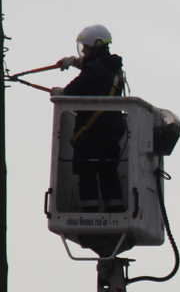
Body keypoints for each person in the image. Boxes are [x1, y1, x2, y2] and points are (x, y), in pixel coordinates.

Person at [55, 25, 128, 213]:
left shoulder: (93, 69)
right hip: (111, 132)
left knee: (87, 173)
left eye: (85, 47)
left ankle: (90, 213)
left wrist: (60, 93)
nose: (83, 51)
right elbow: (98, 67)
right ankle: (115, 210)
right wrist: (74, 62)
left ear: (95, 47)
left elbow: (72, 91)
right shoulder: (114, 68)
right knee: (108, 173)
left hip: (91, 133)